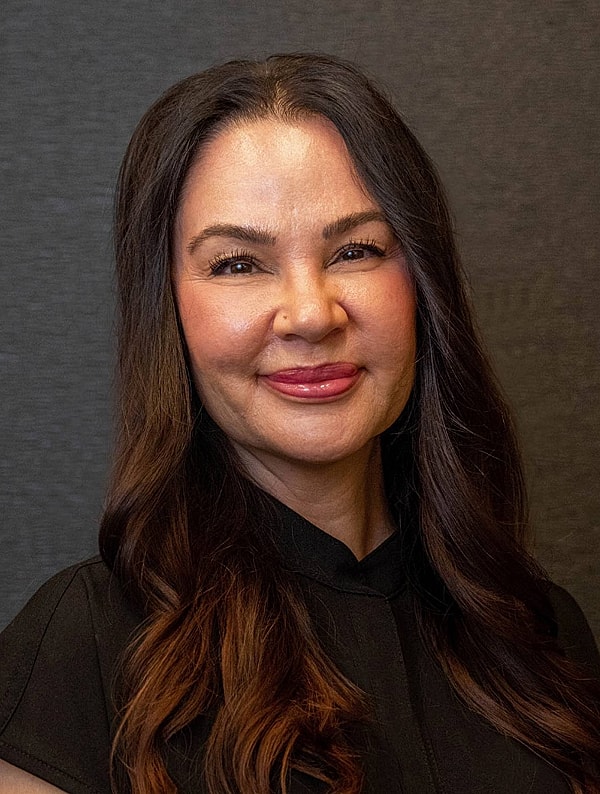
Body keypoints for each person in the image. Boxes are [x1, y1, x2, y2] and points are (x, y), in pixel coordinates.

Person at [0, 53, 599, 794]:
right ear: (169, 311)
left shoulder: (541, 636)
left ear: (423, 285)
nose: (312, 314)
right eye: (238, 264)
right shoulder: (78, 652)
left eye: (356, 251)